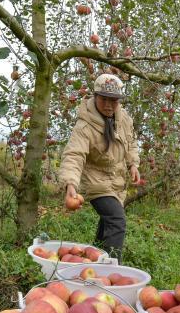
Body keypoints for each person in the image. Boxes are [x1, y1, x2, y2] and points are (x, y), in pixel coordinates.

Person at [58, 73, 140, 262]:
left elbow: (131, 141)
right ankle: (110, 269)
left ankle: (95, 260)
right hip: (95, 182)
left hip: (117, 182)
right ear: (95, 96)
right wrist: (70, 184)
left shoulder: (123, 118)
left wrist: (133, 164)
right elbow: (74, 155)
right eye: (104, 99)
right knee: (116, 220)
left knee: (107, 224)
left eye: (114, 100)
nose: (109, 105)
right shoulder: (85, 125)